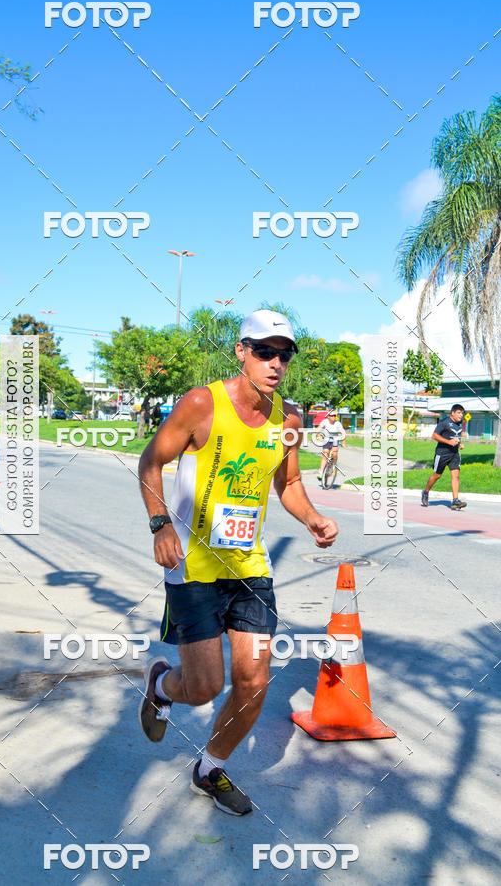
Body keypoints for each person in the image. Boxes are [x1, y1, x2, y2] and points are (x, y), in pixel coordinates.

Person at [137, 309, 338, 816]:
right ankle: (162, 684)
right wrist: (161, 524)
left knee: (254, 680)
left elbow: (288, 484)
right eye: (264, 351)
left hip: (249, 568)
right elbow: (151, 462)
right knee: (203, 687)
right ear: (241, 351)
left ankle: (209, 769)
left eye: (284, 354)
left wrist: (312, 517)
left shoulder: (288, 419)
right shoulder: (203, 404)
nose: (275, 362)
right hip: (192, 568)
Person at [421, 404, 467, 510]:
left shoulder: (460, 423)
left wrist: (459, 444)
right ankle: (425, 492)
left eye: (462, 413)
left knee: (456, 476)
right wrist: (449, 442)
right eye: (459, 413)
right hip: (442, 453)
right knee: (437, 475)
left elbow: (455, 436)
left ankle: (455, 501)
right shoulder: (444, 423)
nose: (461, 415)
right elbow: (434, 435)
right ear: (453, 413)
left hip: (454, 454)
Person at [316, 410, 346, 484]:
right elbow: (318, 429)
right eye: (332, 416)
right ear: (328, 416)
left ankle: (333, 466)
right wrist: (319, 435)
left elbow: (343, 432)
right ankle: (320, 472)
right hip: (326, 440)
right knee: (325, 455)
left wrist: (343, 442)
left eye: (334, 416)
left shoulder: (338, 423)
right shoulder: (324, 422)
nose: (333, 417)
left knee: (334, 454)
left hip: (335, 440)